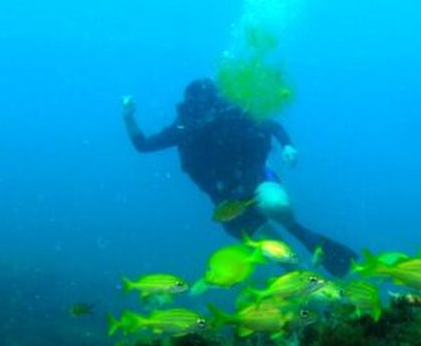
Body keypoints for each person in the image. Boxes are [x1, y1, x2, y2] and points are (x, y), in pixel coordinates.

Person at [122, 78, 357, 276]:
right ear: (189, 106)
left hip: (257, 179)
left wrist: (288, 146)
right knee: (284, 257)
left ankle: (301, 233)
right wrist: (128, 117)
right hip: (226, 203)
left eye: (207, 104)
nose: (203, 111)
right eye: (197, 106)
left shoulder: (234, 114)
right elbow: (142, 145)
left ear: (216, 102)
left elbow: (272, 125)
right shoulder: (183, 129)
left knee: (278, 206)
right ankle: (313, 291)